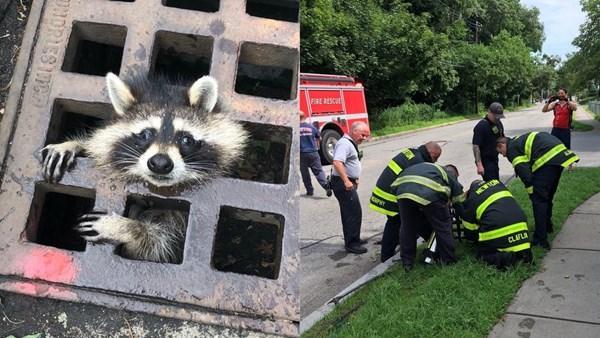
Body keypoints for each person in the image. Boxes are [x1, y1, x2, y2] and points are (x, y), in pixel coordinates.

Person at [496, 132, 579, 249]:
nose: (503, 156)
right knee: (547, 196)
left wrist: (531, 192)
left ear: (502, 145)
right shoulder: (517, 140)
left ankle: (541, 240)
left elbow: (525, 174)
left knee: (539, 200)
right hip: (560, 157)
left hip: (548, 160)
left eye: (501, 152)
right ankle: (547, 226)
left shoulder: (511, 149)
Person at [369, 142, 442, 262]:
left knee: (403, 220)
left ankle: (429, 241)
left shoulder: (414, 152)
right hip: (389, 195)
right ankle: (386, 257)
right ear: (431, 154)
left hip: (383, 190)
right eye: (436, 158)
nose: (435, 161)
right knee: (396, 222)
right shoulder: (419, 163)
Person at [391, 162, 465, 271]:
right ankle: (448, 260)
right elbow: (459, 199)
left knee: (407, 227)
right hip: (429, 193)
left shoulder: (430, 169)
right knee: (443, 225)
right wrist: (464, 215)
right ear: (454, 174)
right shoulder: (449, 174)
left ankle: (407, 262)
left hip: (402, 192)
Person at [460, 179, 532, 270]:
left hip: (498, 235)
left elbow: (470, 233)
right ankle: (523, 254)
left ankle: (506, 258)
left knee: (481, 255)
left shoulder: (471, 199)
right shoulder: (499, 185)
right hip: (523, 234)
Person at [331, 121, 370, 254]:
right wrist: (347, 180)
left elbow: (350, 162)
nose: (364, 138)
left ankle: (354, 238)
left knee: (353, 211)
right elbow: (337, 162)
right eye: (363, 135)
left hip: (348, 182)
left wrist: (355, 178)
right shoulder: (344, 144)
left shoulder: (350, 143)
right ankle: (352, 244)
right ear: (354, 131)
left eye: (366, 136)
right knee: (352, 213)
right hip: (343, 184)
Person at [299, 111, 329, 196]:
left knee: (305, 173)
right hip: (313, 152)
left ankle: (310, 191)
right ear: (304, 117)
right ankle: (326, 186)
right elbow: (320, 138)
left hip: (301, 154)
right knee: (318, 171)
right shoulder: (311, 127)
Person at [473, 102, 505, 181]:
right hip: (485, 161)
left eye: (499, 117)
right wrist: (479, 164)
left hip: (494, 158)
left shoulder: (498, 123)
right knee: (491, 183)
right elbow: (476, 146)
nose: (497, 118)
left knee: (496, 181)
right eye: (496, 116)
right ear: (489, 112)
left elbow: (501, 138)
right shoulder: (481, 126)